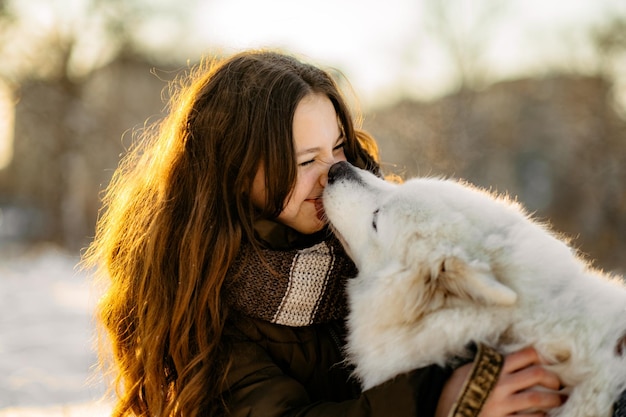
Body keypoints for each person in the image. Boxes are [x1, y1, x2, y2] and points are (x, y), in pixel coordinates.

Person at [83, 49, 565, 417]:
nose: (334, 175)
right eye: (305, 161)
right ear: (233, 170)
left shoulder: (388, 226)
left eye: (337, 148)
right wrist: (435, 400)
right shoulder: (201, 296)